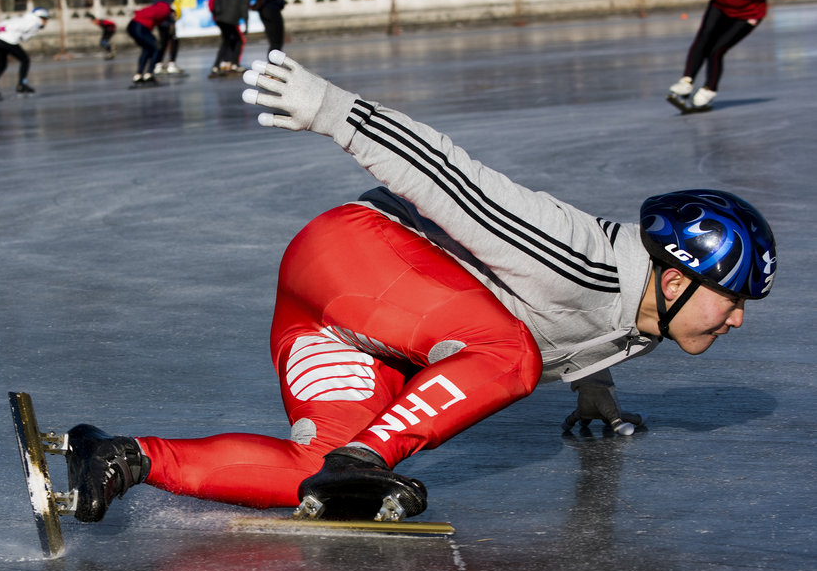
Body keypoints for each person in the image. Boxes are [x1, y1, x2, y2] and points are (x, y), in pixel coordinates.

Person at [64, 51, 777, 524]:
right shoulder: (573, 253)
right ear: (678, 278)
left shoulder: (652, 311)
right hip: (352, 254)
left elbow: (595, 331)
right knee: (511, 355)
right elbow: (451, 179)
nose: (737, 319)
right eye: (733, 299)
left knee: (316, 477)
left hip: (343, 318)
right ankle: (367, 462)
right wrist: (333, 109)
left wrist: (593, 389)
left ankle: (119, 455)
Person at [668, 0, 774, 109]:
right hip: (720, 6)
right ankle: (686, 81)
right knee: (703, 38)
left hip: (747, 15)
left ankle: (709, 88)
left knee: (716, 50)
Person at [0, 7, 49, 100]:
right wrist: (3, 29)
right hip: (8, 39)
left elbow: (9, 24)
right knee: (25, 60)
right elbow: (20, 33)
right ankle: (22, 85)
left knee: (1, 65)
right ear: (41, 17)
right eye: (46, 20)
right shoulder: (34, 22)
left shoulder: (25, 19)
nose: (46, 23)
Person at [209, 0, 257, 77]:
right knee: (238, 40)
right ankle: (233, 64)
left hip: (220, 18)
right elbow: (244, 7)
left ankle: (218, 65)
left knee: (227, 41)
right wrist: (247, 23)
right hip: (230, 19)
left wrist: (218, 13)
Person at [126, 1, 173, 86]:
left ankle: (138, 75)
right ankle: (149, 74)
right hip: (140, 26)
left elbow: (151, 15)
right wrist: (170, 22)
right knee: (156, 48)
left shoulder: (159, 6)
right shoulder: (165, 10)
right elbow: (156, 15)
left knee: (147, 49)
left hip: (132, 26)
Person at [152, 0, 182, 75]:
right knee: (173, 40)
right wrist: (172, 21)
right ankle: (171, 64)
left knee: (163, 42)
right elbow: (171, 5)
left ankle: (158, 64)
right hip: (166, 19)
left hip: (159, 18)